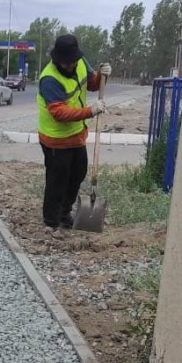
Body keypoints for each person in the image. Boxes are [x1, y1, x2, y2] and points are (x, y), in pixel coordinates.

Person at [36, 34, 111, 232]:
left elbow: (92, 84)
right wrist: (90, 111)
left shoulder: (79, 62)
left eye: (73, 61)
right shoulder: (49, 79)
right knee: (57, 180)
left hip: (76, 134)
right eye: (66, 63)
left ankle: (64, 213)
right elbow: (58, 113)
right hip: (55, 139)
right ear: (58, 60)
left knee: (78, 173)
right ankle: (51, 222)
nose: (71, 66)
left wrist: (103, 76)